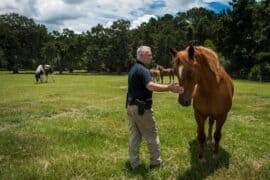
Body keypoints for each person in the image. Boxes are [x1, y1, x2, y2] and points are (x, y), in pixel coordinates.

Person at [126, 45, 184, 170]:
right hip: (141, 109)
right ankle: (156, 163)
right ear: (141, 55)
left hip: (131, 106)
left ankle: (134, 164)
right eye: (149, 55)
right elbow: (150, 86)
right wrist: (169, 88)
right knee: (152, 135)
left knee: (134, 136)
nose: (151, 57)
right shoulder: (143, 70)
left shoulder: (133, 69)